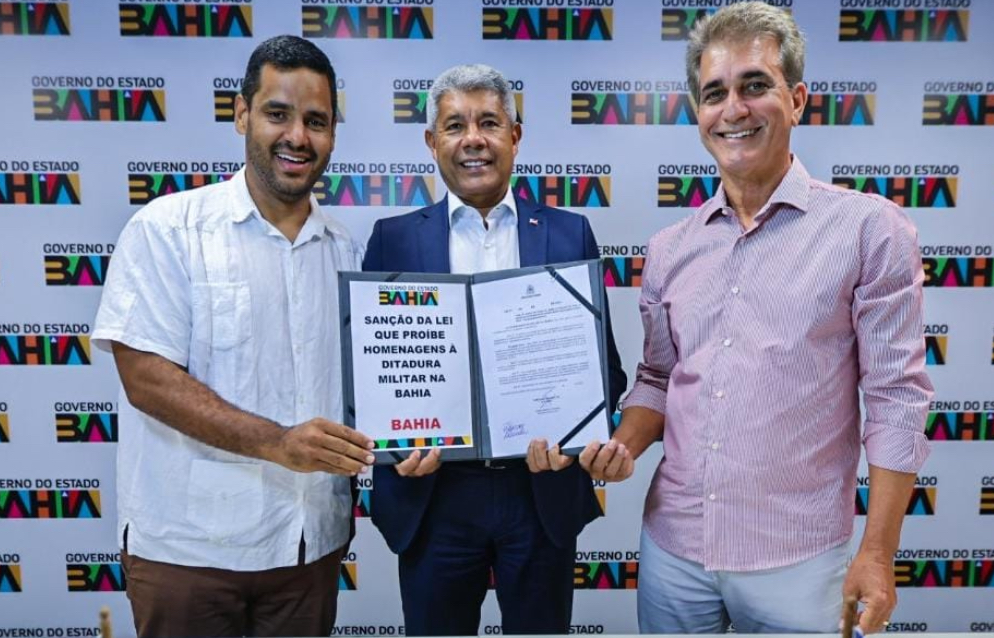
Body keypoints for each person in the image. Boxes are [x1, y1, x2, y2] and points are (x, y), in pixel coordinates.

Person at [579, 3, 933, 635]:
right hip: (674, 547)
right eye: (715, 93)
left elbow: (896, 398)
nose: (733, 109)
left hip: (800, 560)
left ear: (796, 100)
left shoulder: (868, 230)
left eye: (755, 85)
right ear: (698, 113)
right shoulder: (669, 249)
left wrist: (878, 554)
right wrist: (622, 445)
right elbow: (658, 379)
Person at [92, 35, 375, 638]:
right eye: (278, 113)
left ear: (333, 133)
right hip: (189, 550)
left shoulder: (345, 250)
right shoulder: (168, 229)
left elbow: (370, 385)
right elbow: (146, 380)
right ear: (241, 113)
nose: (297, 136)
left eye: (316, 121)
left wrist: (418, 440)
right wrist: (279, 443)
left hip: (310, 544)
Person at [363, 63, 627, 636]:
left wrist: (574, 431)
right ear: (432, 142)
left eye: (488, 122)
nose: (473, 139)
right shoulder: (393, 238)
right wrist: (393, 443)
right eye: (455, 125)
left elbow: (605, 369)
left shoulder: (569, 233)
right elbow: (374, 377)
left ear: (515, 135)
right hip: (434, 494)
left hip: (539, 488)